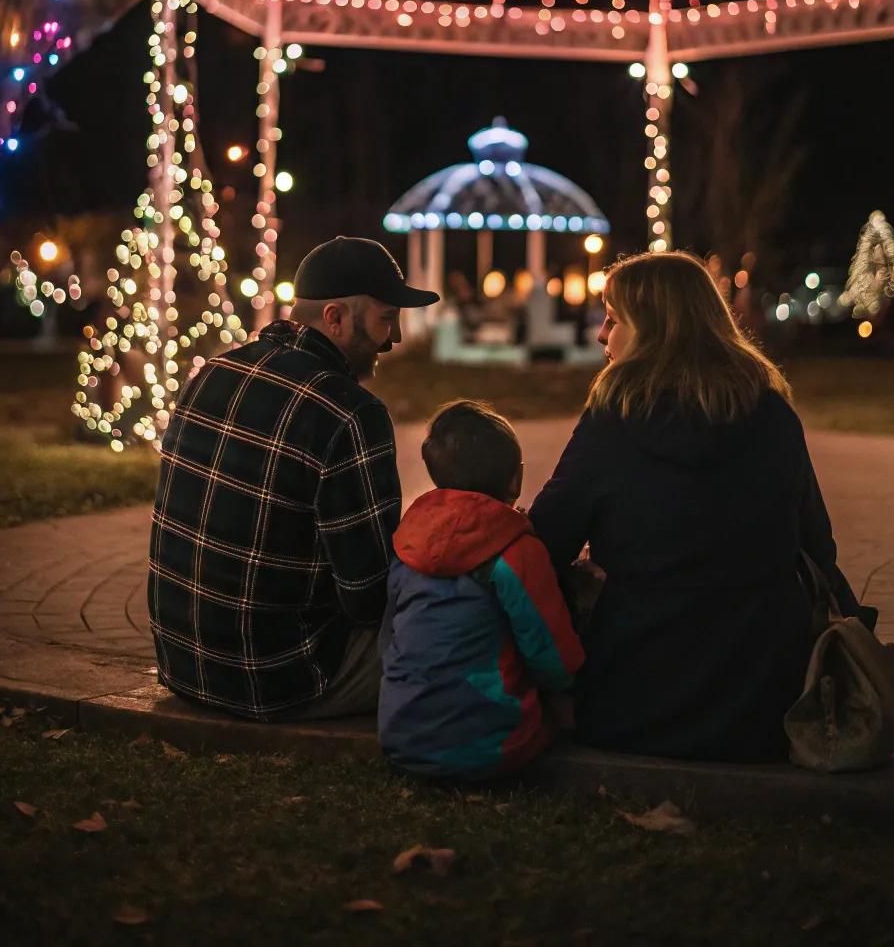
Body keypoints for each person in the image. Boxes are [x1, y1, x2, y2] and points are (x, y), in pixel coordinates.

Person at [529, 250, 875, 764]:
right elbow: (817, 545)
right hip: (765, 709)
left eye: (613, 319)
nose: (602, 335)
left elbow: (544, 541)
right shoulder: (772, 413)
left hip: (633, 703)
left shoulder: (613, 418)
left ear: (654, 328)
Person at [148, 236, 439, 722]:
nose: (396, 339)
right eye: (387, 319)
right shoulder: (350, 413)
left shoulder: (212, 373)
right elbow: (369, 596)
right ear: (335, 318)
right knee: (461, 621)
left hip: (185, 663)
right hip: (282, 678)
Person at [379, 400, 584, 778]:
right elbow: (552, 657)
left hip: (401, 734)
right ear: (516, 479)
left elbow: (388, 637)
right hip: (489, 746)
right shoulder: (517, 550)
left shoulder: (409, 544)